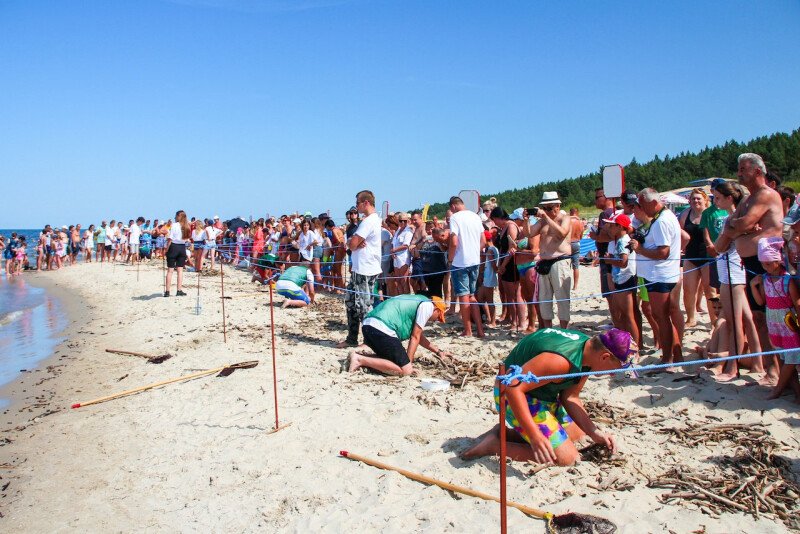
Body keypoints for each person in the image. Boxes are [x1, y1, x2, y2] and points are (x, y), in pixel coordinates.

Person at [461, 327, 635, 465]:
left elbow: (571, 397)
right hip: (511, 396)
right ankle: (494, 446)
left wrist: (595, 432)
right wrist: (535, 436)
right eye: (616, 369)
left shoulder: (588, 352)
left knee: (579, 434)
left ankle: (504, 434)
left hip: (542, 396)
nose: (612, 375)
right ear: (605, 357)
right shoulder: (560, 361)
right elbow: (513, 388)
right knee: (566, 458)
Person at [722, 153, 784, 384]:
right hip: (750, 264)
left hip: (767, 265)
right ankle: (772, 369)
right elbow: (728, 231)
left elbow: (740, 224)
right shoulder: (748, 199)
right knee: (759, 319)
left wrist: (739, 227)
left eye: (743, 169)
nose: (738, 173)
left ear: (758, 171)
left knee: (775, 319)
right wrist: (739, 227)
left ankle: (781, 371)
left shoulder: (766, 195)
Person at [709, 180, 763, 380]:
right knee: (747, 319)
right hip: (733, 271)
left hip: (732, 273)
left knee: (734, 322)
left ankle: (733, 367)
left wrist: (722, 239)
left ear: (730, 198)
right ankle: (757, 363)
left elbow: (719, 246)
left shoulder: (733, 218)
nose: (715, 201)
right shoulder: (736, 218)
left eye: (718, 198)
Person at [629, 188, 683, 364]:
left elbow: (663, 252)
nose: (642, 209)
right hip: (660, 274)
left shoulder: (662, 221)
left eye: (643, 205)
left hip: (660, 275)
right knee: (664, 317)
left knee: (662, 318)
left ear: (653, 203)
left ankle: (667, 359)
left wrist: (640, 249)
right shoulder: (663, 218)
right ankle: (676, 355)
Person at [347, 295, 450, 376]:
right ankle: (359, 359)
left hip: (368, 326)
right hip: (382, 329)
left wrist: (438, 351)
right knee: (406, 370)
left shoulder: (417, 300)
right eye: (438, 317)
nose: (436, 320)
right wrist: (408, 363)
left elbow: (419, 337)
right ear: (436, 309)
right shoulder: (428, 306)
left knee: (393, 360)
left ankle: (362, 357)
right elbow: (415, 337)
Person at [750, 237, 800, 401]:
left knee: (792, 358)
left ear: (778, 261)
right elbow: (761, 301)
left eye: (769, 263)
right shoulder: (766, 279)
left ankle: (778, 389)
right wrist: (753, 286)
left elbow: (796, 303)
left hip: (788, 321)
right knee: (784, 357)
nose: (766, 267)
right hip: (773, 322)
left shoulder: (787, 280)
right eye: (763, 263)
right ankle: (797, 392)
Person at [338, 191, 383, 348]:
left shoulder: (369, 221)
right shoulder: (369, 221)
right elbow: (351, 243)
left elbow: (351, 244)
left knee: (363, 306)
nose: (356, 207)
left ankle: (368, 341)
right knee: (350, 302)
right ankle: (352, 338)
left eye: (357, 203)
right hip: (360, 268)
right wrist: (353, 241)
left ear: (366, 203)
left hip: (365, 269)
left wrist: (353, 242)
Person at [528, 192, 573, 329]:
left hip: (560, 260)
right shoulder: (542, 221)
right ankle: (548, 329)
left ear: (557, 206)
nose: (546, 211)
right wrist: (526, 219)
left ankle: (563, 329)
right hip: (545, 262)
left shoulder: (565, 218)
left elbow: (562, 233)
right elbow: (529, 233)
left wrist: (546, 217)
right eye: (545, 208)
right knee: (544, 299)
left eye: (549, 208)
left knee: (562, 298)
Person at [448, 196, 486, 337]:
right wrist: (473, 251)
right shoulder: (475, 217)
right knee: (472, 296)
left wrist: (450, 259)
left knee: (464, 297)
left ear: (453, 206)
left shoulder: (455, 218)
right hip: (474, 260)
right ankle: (480, 330)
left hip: (460, 262)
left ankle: (468, 330)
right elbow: (483, 240)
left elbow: (454, 241)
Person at [603, 213, 639, 346]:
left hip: (625, 279)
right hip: (621, 278)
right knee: (623, 316)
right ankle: (627, 343)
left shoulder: (623, 241)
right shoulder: (621, 240)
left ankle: (636, 346)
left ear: (620, 227)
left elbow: (623, 262)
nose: (609, 228)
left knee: (628, 316)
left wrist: (609, 260)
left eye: (612, 226)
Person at [679, 189, 713, 327]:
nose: (696, 201)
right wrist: (681, 247)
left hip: (707, 256)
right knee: (688, 290)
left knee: (710, 291)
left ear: (705, 200)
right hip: (690, 256)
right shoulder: (685, 213)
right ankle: (691, 318)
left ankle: (713, 320)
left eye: (699, 198)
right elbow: (679, 231)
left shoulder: (710, 213)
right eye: (693, 199)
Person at [165, 210, 190, 297]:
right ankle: (179, 290)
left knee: (170, 270)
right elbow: (187, 239)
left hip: (174, 246)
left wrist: (166, 249)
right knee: (180, 270)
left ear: (179, 216)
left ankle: (167, 291)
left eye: (176, 216)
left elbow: (170, 238)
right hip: (182, 247)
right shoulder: (186, 226)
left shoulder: (174, 225)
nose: (175, 217)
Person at [390, 212, 414, 296]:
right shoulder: (398, 231)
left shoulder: (408, 231)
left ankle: (406, 299)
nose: (403, 223)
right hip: (396, 258)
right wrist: (393, 252)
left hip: (404, 258)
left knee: (404, 280)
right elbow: (394, 242)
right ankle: (400, 297)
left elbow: (405, 245)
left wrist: (394, 250)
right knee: (398, 280)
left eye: (405, 221)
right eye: (401, 221)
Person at [569, 208, 584, 290]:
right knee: (576, 266)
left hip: (568, 243)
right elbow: (581, 236)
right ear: (577, 213)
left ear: (570, 212)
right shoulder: (580, 222)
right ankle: (575, 286)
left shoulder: (568, 221)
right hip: (576, 242)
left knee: (566, 265)